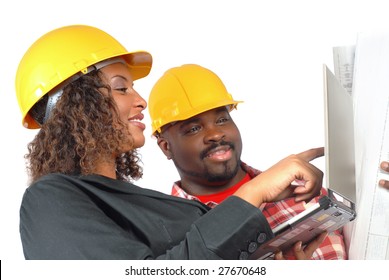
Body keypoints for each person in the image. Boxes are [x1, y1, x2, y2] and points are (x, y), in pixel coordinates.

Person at [15, 25, 324, 260]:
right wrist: (254, 192)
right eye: (121, 88)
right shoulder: (48, 200)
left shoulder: (143, 203)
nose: (141, 101)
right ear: (75, 104)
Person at [148, 64, 347, 260]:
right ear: (166, 147)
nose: (216, 134)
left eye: (221, 120)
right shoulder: (169, 238)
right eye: (193, 129)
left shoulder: (307, 191)